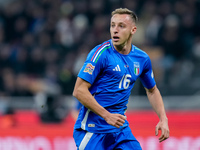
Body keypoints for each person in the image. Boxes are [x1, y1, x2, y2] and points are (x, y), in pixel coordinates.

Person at [72, 8, 169, 150]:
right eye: (112, 25)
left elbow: (152, 91)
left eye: (121, 26)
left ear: (133, 30)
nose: (115, 30)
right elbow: (79, 91)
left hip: (120, 131)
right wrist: (107, 115)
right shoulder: (100, 54)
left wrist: (163, 119)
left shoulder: (142, 59)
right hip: (93, 131)